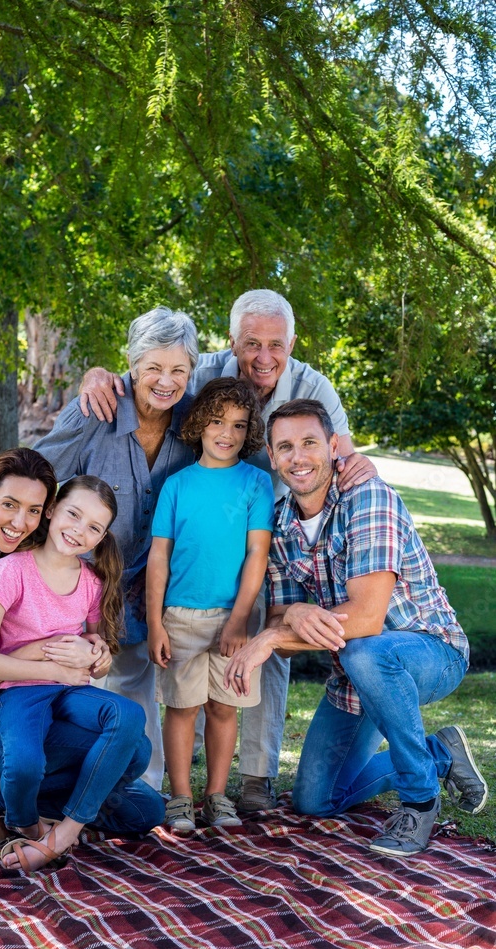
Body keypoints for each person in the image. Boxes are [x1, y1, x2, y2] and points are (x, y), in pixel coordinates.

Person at [78, 289, 377, 811]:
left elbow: (343, 454)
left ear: (292, 343)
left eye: (276, 345)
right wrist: (101, 376)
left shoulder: (313, 386)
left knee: (265, 648)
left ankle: (255, 775)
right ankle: (178, 786)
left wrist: (360, 469)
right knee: (183, 691)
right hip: (195, 538)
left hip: (278, 530)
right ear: (232, 341)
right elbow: (153, 379)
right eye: (251, 343)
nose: (264, 356)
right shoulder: (202, 374)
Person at [224, 399, 488, 855]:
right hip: (355, 676)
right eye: (285, 446)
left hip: (430, 652)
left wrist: (271, 635)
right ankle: (441, 754)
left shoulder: (368, 497)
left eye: (309, 443)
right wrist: (289, 616)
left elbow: (365, 620)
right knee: (314, 799)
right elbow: (282, 632)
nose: (298, 457)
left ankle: (420, 801)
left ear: (332, 446)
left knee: (364, 651)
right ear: (270, 454)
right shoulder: (283, 525)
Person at [0, 449, 164, 860]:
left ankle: (8, 799)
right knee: (131, 753)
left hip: (38, 702)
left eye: (33, 510)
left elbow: (73, 621)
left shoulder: (23, 553)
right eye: (9, 505)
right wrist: (43, 657)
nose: (19, 522)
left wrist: (93, 649)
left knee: (145, 806)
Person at [35, 307, 199, 790]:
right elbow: (37, 473)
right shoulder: (96, 407)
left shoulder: (194, 421)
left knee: (136, 689)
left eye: (178, 370)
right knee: (70, 688)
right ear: (131, 364)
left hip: (150, 585)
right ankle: (56, 788)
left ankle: (137, 791)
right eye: (153, 367)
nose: (165, 381)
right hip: (80, 584)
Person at [0, 475, 146, 872]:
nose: (79, 530)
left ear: (101, 538)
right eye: (73, 514)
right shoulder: (13, 571)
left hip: (69, 690)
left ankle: (64, 831)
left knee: (131, 720)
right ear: (51, 511)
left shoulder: (91, 582)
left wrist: (99, 655)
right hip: (19, 690)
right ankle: (21, 821)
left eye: (93, 527)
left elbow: (100, 648)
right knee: (27, 763)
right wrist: (52, 667)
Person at [147, 379, 275, 830]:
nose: (228, 433)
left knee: (224, 708)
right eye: (218, 421)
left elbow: (257, 553)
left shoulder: (258, 483)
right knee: (181, 708)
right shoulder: (176, 486)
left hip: (235, 619)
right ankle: (180, 797)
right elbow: (158, 557)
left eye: (240, 425)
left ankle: (216, 795)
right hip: (179, 615)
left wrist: (241, 618)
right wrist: (155, 622)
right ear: (199, 423)